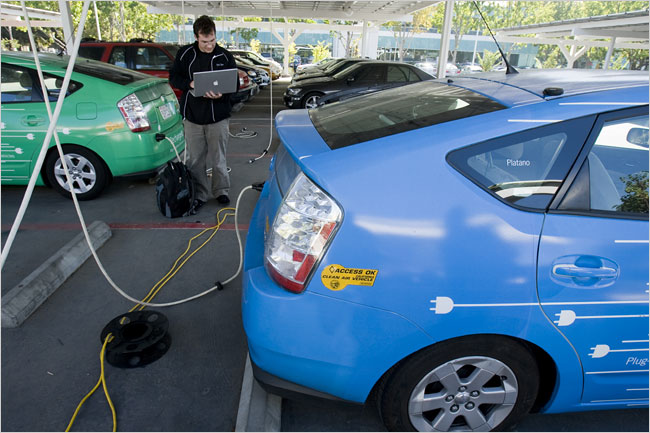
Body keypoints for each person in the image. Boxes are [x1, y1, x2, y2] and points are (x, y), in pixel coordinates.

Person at [169, 15, 237, 215]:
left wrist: (222, 94)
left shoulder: (225, 57)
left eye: (212, 40)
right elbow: (174, 77)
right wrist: (189, 84)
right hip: (192, 117)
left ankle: (221, 191)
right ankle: (200, 195)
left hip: (218, 117)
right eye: (205, 41)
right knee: (195, 160)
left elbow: (234, 84)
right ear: (196, 37)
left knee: (219, 158)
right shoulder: (185, 54)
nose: (209, 45)